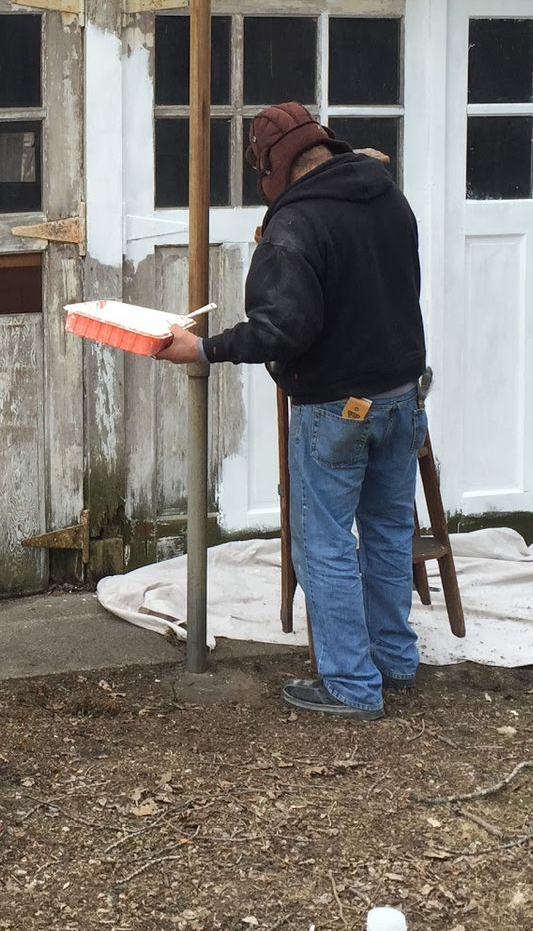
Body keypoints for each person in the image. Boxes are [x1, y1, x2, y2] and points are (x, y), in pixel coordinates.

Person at [157, 103, 428, 719]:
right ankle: (394, 661)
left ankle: (352, 685)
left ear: (272, 168)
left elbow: (281, 330)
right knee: (389, 533)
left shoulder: (296, 224)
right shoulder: (388, 197)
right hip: (403, 396)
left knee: (324, 545)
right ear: (325, 146)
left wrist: (202, 348)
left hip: (338, 409)